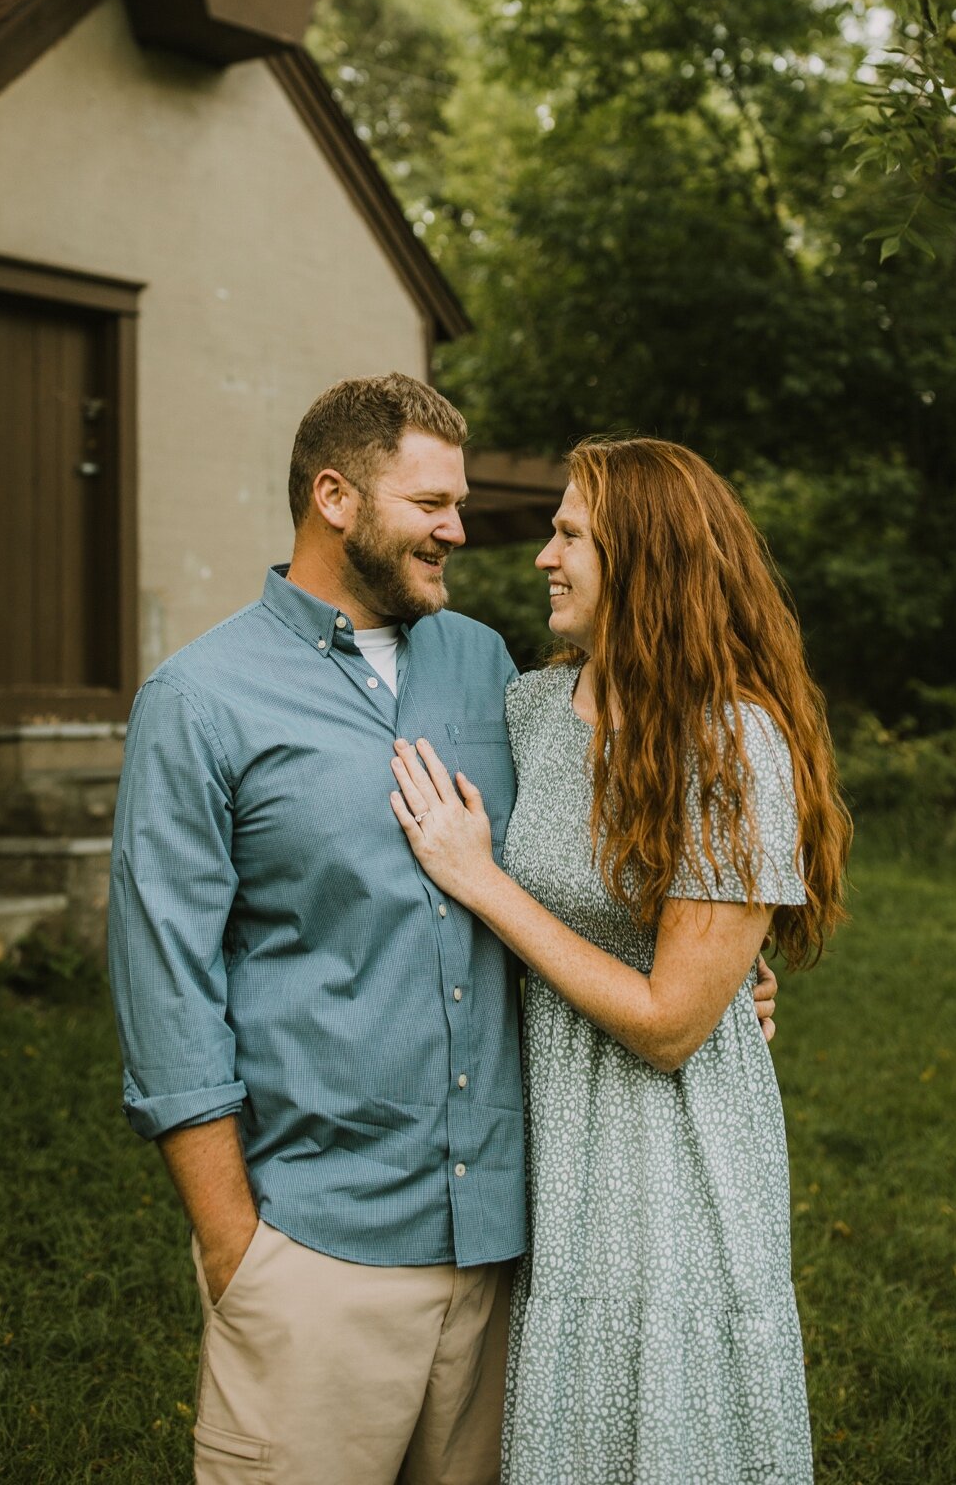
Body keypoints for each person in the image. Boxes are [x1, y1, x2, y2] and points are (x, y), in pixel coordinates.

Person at [107, 371, 788, 1485]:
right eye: (430, 505)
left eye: (459, 504)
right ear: (335, 497)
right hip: (319, 1252)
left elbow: (597, 850)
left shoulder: (487, 669)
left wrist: (724, 973)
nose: (461, 531)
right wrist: (241, 1255)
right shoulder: (198, 701)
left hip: (512, 1250)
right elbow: (164, 995)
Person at [389, 435, 850, 1485]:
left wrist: (485, 881)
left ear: (645, 558)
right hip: (547, 1140)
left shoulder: (732, 745)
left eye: (569, 534)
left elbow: (672, 1022)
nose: (543, 556)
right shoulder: (530, 712)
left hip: (670, 1162)